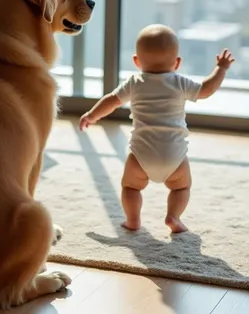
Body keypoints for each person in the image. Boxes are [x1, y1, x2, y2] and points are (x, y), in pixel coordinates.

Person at [79, 24, 235, 233]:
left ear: (136, 61)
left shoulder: (135, 82)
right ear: (177, 62)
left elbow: (112, 101)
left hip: (141, 156)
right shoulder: (179, 82)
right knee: (181, 187)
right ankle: (173, 217)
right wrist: (221, 69)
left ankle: (133, 220)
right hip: (175, 156)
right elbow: (206, 90)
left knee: (131, 187)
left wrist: (92, 115)